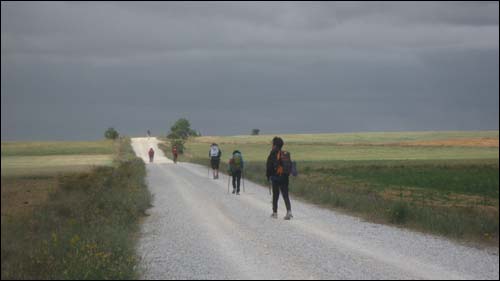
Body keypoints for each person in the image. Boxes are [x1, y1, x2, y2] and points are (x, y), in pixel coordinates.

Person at [266, 136, 293, 220]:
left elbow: (269, 167)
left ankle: (275, 213)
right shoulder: (284, 154)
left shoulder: (272, 153)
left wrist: (268, 176)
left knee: (275, 195)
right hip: (285, 177)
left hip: (276, 177)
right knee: (285, 195)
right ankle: (289, 212)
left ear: (274, 145)